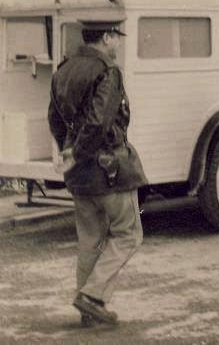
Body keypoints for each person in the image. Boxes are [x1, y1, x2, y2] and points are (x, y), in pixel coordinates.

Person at [47, 20, 148, 327]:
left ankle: (87, 309)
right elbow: (99, 121)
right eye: (116, 37)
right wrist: (79, 151)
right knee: (129, 234)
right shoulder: (108, 71)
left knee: (90, 239)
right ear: (106, 37)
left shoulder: (63, 69)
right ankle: (92, 297)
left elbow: (54, 118)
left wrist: (70, 152)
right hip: (110, 169)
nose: (118, 43)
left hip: (79, 175)